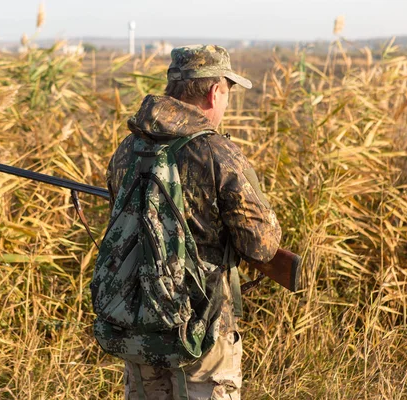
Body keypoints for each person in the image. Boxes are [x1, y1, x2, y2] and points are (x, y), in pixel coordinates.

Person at [105, 45, 282, 399]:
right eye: (228, 93)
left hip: (140, 320)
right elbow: (261, 245)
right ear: (215, 91)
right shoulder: (218, 153)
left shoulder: (128, 148)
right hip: (203, 329)